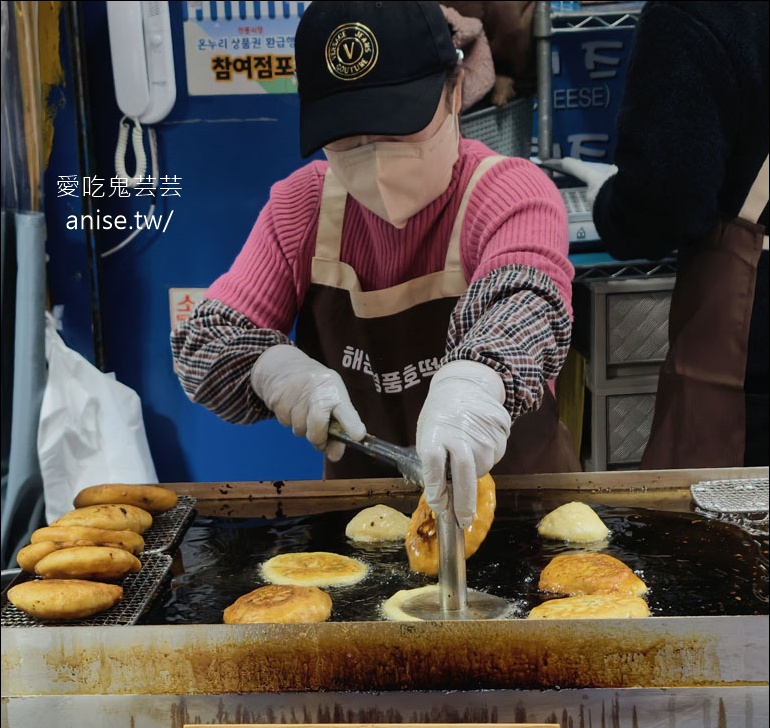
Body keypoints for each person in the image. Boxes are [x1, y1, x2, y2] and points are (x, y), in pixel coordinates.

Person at [171, 0, 580, 529]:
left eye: (397, 127)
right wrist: (272, 370)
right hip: (364, 528)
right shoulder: (301, 209)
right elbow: (204, 341)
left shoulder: (509, 194)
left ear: (454, 93)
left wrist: (478, 381)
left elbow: (527, 304)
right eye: (348, 137)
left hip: (526, 518)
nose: (375, 156)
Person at [546, 1, 768, 469]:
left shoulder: (695, 13)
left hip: (753, 321)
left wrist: (609, 198)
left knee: (729, 530)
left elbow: (665, 203)